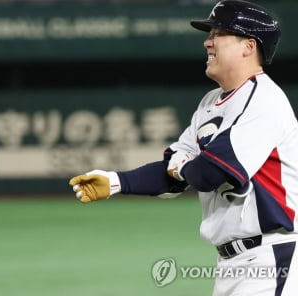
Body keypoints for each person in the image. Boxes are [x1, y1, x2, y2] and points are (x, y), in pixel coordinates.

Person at [69, 1, 298, 295]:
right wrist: (116, 182)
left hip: (273, 256)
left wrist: (184, 167)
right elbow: (172, 173)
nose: (207, 41)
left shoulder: (264, 100)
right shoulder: (210, 103)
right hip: (233, 262)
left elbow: (210, 173)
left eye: (218, 33)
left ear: (249, 46)